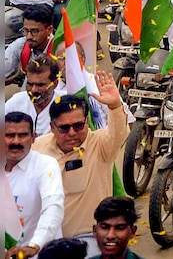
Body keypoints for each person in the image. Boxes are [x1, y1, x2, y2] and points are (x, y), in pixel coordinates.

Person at [32, 74, 129, 246]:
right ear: (52, 127)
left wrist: (114, 106)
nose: (72, 133)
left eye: (78, 126)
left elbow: (120, 133)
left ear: (86, 121)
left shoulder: (100, 145)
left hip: (90, 240)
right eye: (64, 128)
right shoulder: (38, 148)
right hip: (46, 241)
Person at [5, 111, 65, 257]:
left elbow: (53, 207)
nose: (16, 142)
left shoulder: (45, 166)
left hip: (40, 253)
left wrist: (34, 245)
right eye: (9, 135)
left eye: (23, 135)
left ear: (33, 138)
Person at [7, 54, 63, 136]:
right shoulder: (15, 102)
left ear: (55, 84)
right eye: (30, 84)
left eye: (40, 85)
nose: (33, 90)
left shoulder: (65, 104)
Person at [4, 6, 57, 83]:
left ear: (49, 30)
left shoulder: (59, 50)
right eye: (25, 30)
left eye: (34, 31)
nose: (29, 36)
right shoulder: (20, 45)